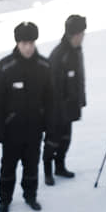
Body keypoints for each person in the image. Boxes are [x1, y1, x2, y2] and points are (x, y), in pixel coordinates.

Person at [0, 21, 52, 212]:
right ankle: (4, 199)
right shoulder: (5, 66)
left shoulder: (44, 66)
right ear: (17, 43)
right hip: (11, 130)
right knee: (8, 167)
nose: (28, 47)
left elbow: (51, 100)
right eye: (24, 43)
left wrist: (50, 127)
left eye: (31, 42)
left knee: (32, 166)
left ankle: (30, 195)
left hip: (34, 129)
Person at [44, 14, 86, 184]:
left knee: (65, 140)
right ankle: (48, 172)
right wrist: (55, 110)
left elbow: (79, 78)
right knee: (52, 141)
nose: (83, 37)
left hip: (69, 107)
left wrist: (80, 100)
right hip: (55, 109)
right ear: (72, 34)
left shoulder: (76, 51)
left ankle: (60, 167)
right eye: (81, 34)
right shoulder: (58, 55)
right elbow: (51, 87)